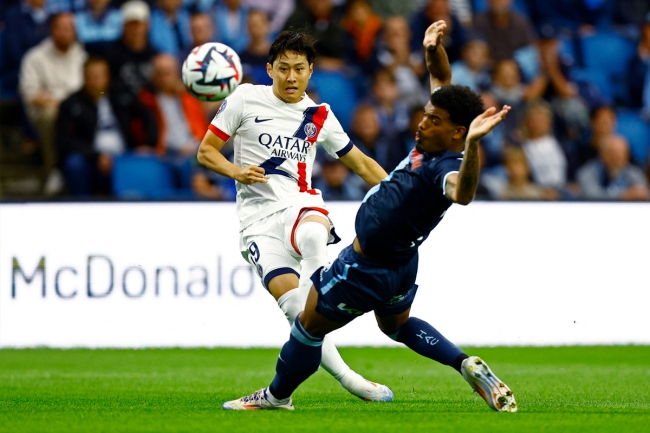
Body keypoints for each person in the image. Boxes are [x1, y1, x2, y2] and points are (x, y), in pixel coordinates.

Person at [222, 20, 517, 413]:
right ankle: (464, 363)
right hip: (402, 264)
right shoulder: (435, 139)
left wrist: (475, 147)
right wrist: (432, 51)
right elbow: (441, 81)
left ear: (457, 133)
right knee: (397, 325)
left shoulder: (445, 169)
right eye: (426, 114)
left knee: (307, 329)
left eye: (433, 120)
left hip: (364, 267)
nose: (422, 123)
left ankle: (276, 397)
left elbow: (462, 193)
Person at [196, 30, 393, 401]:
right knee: (295, 311)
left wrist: (402, 196)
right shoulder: (245, 98)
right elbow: (206, 152)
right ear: (270, 69)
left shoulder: (319, 115)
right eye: (283, 68)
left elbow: (361, 163)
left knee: (314, 234)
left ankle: (319, 294)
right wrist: (237, 171)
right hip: (257, 224)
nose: (291, 76)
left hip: (300, 205)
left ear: (310, 71)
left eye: (299, 69)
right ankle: (346, 381)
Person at [55, 56, 158, 196]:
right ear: (83, 78)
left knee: (146, 163)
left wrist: (148, 144)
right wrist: (96, 156)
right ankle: (81, 202)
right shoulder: (72, 103)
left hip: (124, 156)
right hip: (91, 159)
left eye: (100, 76)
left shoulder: (122, 95)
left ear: (107, 76)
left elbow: (148, 117)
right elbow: (64, 139)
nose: (96, 81)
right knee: (74, 164)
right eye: (91, 76)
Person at [576, 134, 650, 201]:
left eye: (623, 155)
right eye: (614, 155)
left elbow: (642, 193)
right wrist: (621, 196)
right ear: (602, 155)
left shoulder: (633, 172)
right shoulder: (586, 172)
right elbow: (590, 195)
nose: (619, 160)